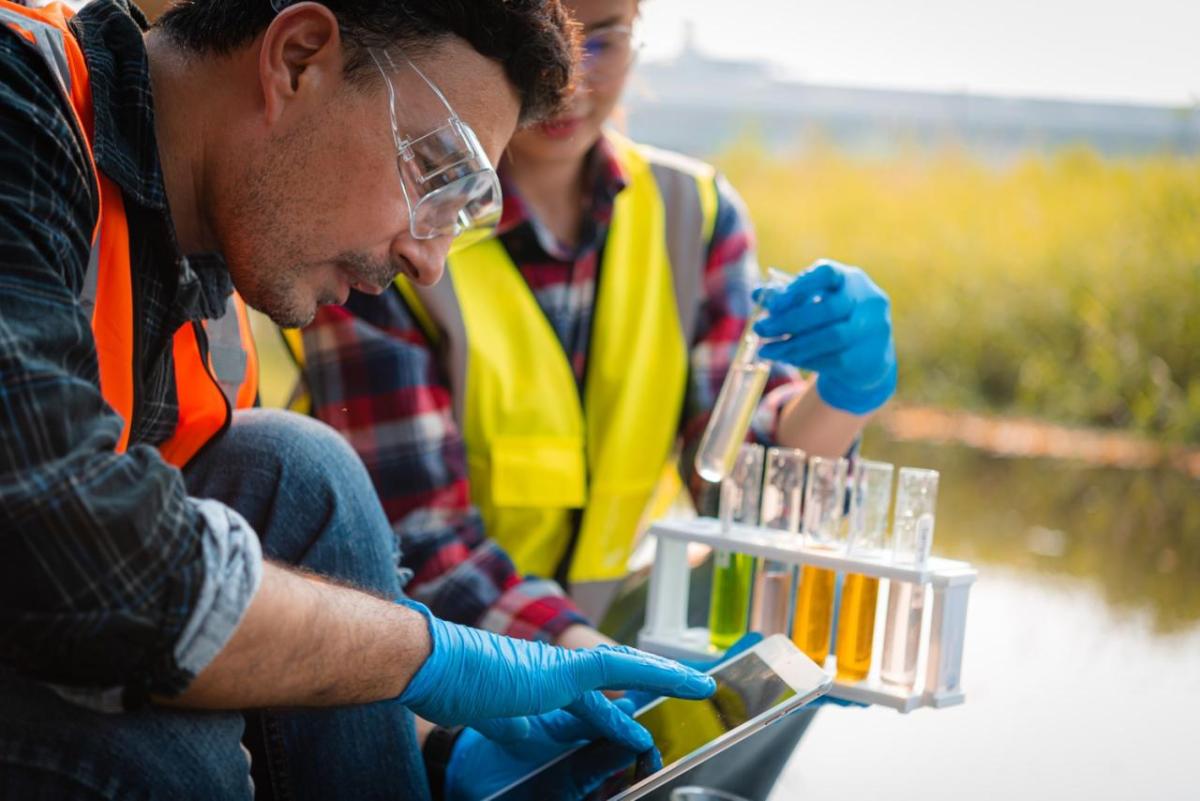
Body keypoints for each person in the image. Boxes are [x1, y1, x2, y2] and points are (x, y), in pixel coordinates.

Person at [0, 1, 720, 799]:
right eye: (433, 170)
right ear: (300, 59)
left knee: (299, 470)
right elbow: (70, 561)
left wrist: (438, 748)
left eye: (463, 207)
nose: (429, 259)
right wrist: (428, 653)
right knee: (163, 761)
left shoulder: (209, 284)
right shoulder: (16, 106)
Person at [299, 0, 895, 652]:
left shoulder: (693, 215)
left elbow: (736, 491)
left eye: (602, 41)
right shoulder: (390, 222)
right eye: (540, 38)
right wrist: (600, 673)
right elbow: (416, 546)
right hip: (429, 670)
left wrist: (841, 395)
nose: (568, 79)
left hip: (598, 641)